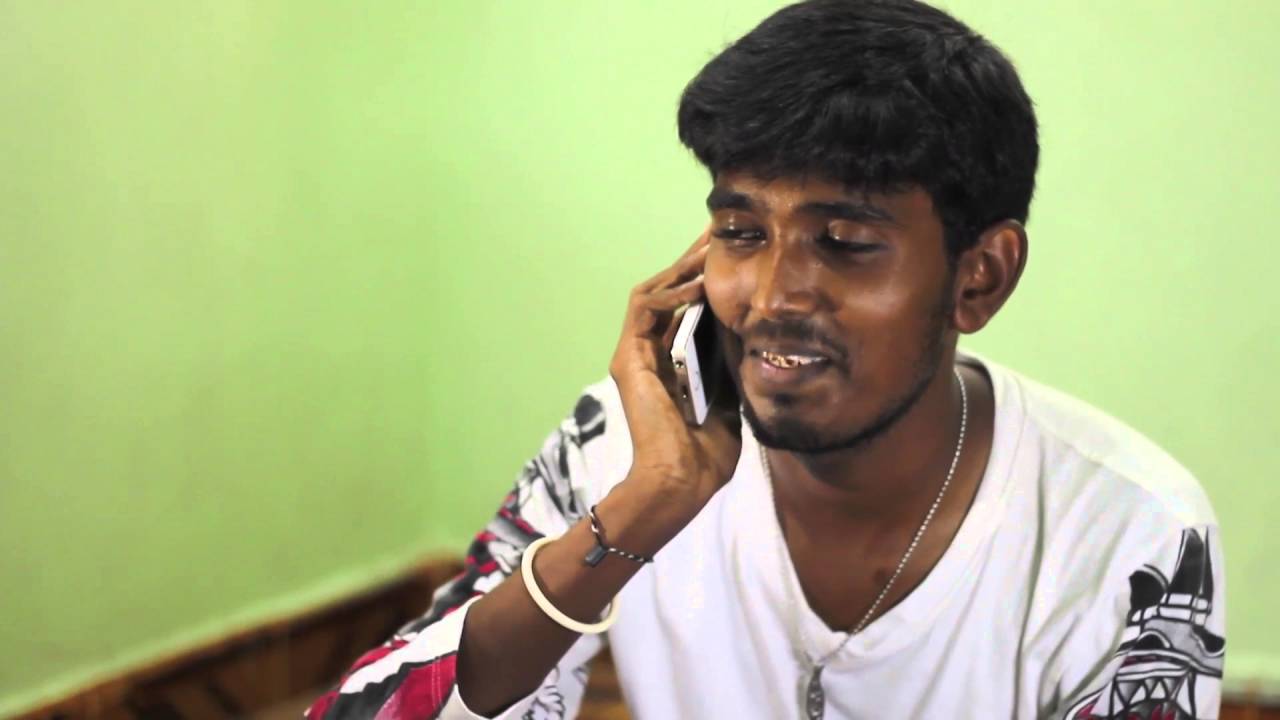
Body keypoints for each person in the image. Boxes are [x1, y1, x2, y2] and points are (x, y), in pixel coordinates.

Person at [304, 0, 1225, 718]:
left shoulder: (1129, 533)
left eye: (845, 241)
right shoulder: (622, 446)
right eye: (742, 231)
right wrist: (645, 508)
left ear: (979, 277)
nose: (773, 295)